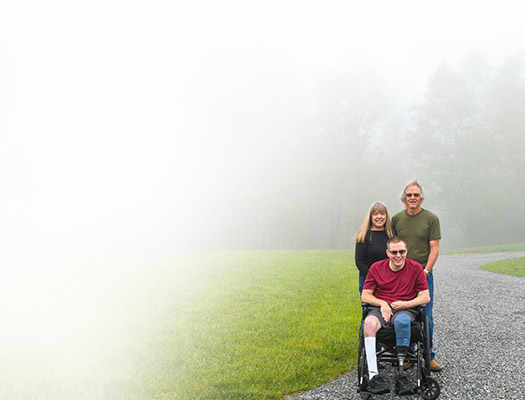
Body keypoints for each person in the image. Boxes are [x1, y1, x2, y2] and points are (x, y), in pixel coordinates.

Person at [361, 237, 430, 394]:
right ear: (387, 253)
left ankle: (401, 373)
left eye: (402, 251)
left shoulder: (416, 268)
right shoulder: (376, 268)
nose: (398, 255)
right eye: (394, 252)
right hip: (381, 308)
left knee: (402, 320)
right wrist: (382, 304)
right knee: (369, 324)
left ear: (406, 252)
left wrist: (405, 304)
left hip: (406, 309)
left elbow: (425, 297)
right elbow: (365, 296)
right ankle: (373, 376)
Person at [391, 180, 442, 371]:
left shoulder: (431, 219)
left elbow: (434, 248)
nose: (412, 198)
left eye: (416, 195)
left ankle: (429, 357)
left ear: (421, 197)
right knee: (403, 315)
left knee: (426, 317)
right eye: (409, 195)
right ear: (404, 198)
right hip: (401, 276)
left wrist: (426, 270)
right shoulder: (396, 219)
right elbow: (391, 247)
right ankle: (409, 356)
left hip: (423, 275)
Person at [354, 201, 394, 293]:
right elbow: (359, 262)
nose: (379, 217)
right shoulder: (363, 235)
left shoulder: (391, 235)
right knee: (370, 307)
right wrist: (375, 278)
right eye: (375, 214)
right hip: (368, 281)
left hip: (389, 280)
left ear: (386, 216)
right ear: (370, 217)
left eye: (382, 214)